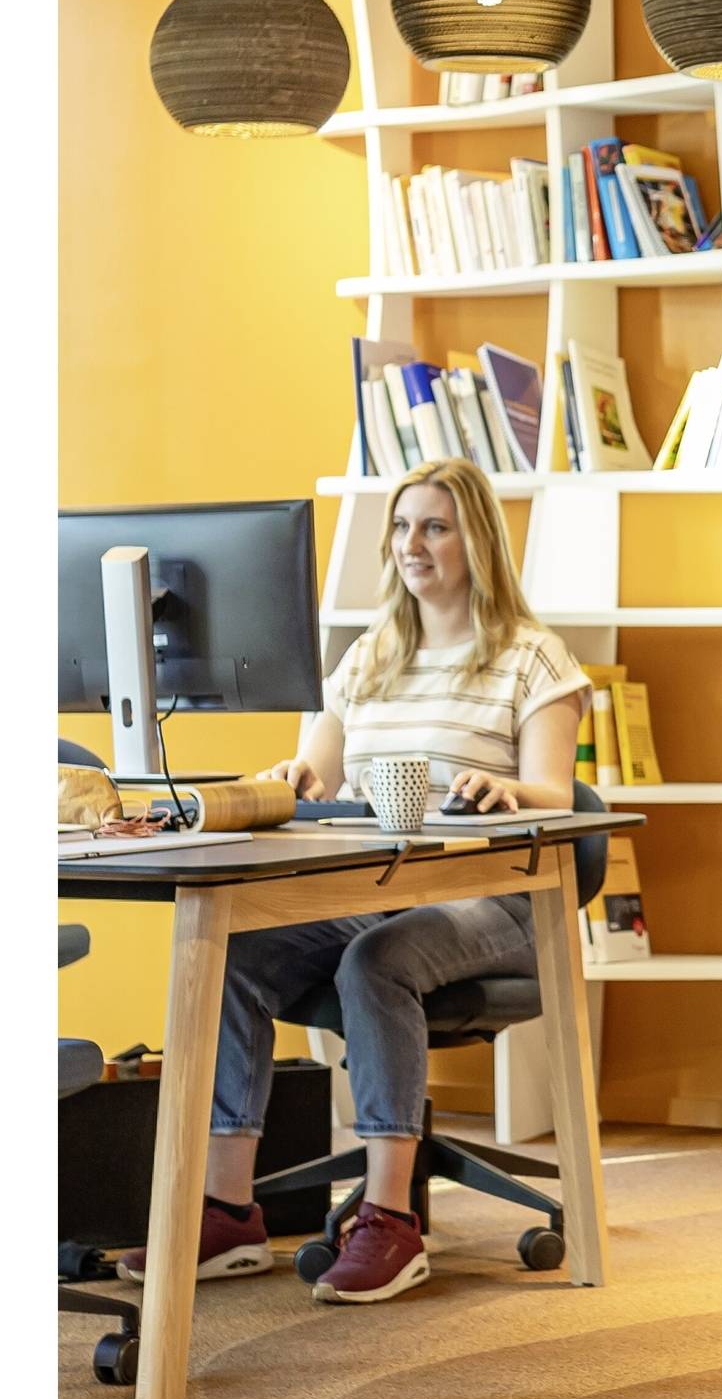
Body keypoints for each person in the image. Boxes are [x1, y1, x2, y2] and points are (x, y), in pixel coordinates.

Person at [123, 458, 588, 1305]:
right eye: (403, 527)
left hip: (501, 897)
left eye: (435, 526)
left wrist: (509, 790)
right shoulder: (366, 658)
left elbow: (558, 793)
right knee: (236, 950)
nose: (413, 544)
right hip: (377, 890)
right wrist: (292, 778)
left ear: (477, 539)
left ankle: (389, 1220)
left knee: (378, 960)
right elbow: (319, 773)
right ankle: (227, 1212)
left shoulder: (533, 659)